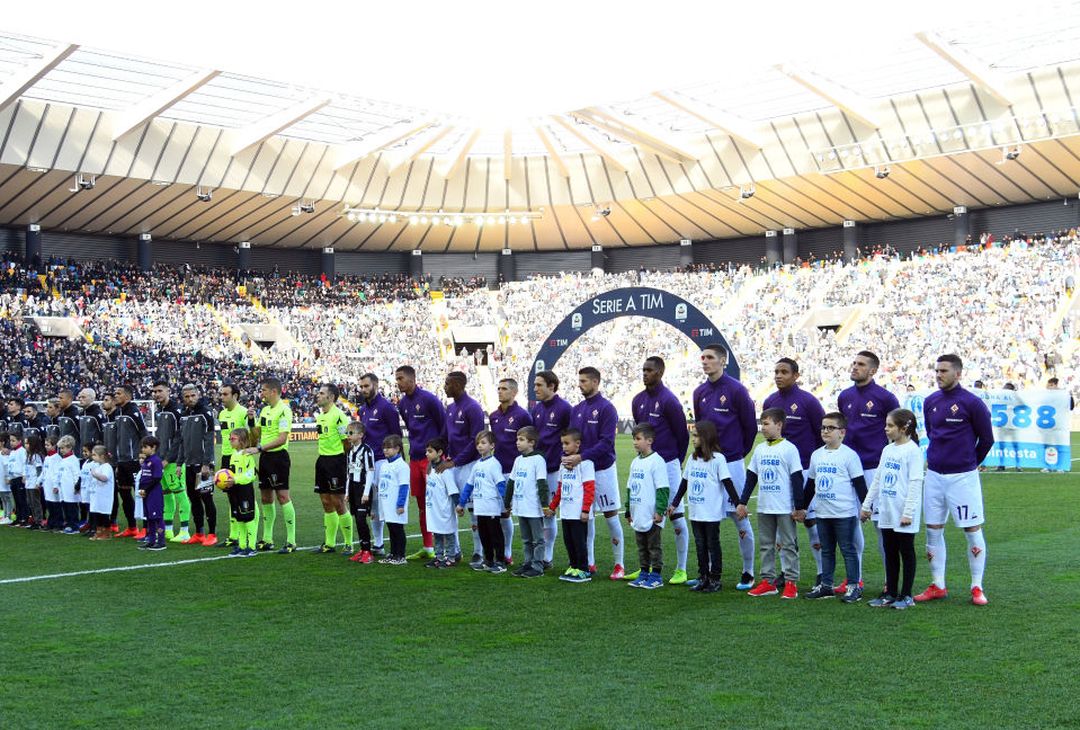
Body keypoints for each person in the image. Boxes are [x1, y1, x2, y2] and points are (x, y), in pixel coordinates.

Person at [916, 354, 994, 606]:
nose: (939, 375)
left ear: (958, 373)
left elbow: (987, 439)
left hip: (963, 478)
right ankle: (938, 584)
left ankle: (976, 586)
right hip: (935, 475)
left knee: (971, 529)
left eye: (944, 371)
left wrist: (969, 462)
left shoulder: (972, 403)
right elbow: (931, 432)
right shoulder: (930, 401)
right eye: (936, 370)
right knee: (932, 529)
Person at [692, 343, 757, 590]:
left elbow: (750, 427)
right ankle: (707, 574)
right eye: (703, 357)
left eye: (710, 357)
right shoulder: (699, 392)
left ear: (723, 361)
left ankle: (748, 571)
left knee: (739, 516)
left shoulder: (737, 390)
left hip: (731, 463)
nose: (705, 361)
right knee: (708, 519)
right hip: (708, 463)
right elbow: (700, 427)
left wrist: (737, 453)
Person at [837, 350, 899, 595]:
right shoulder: (845, 396)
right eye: (854, 363)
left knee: (880, 525)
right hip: (849, 470)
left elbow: (898, 431)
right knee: (851, 524)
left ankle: (889, 579)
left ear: (873, 370)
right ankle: (856, 577)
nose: (855, 367)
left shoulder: (886, 398)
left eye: (860, 364)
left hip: (875, 468)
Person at [762, 357, 826, 589]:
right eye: (776, 371)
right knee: (781, 524)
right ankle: (785, 572)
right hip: (779, 473)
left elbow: (822, 434)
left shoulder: (808, 401)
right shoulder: (770, 401)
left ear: (796, 375)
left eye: (784, 372)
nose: (778, 375)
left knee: (810, 521)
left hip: (806, 470)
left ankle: (821, 572)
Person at [631, 356, 690, 584]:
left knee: (674, 514)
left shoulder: (669, 401)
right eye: (643, 369)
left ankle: (681, 568)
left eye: (649, 370)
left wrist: (677, 460)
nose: (645, 373)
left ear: (660, 372)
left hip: (668, 464)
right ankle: (645, 567)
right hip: (647, 464)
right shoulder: (638, 400)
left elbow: (682, 435)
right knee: (646, 513)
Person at [737, 408, 805, 599]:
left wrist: (799, 507)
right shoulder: (760, 449)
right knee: (766, 545)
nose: (763, 428)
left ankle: (791, 583)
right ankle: (768, 582)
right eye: (762, 424)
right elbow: (751, 478)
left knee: (789, 544)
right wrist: (742, 502)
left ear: (779, 425)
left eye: (766, 424)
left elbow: (797, 478)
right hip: (764, 506)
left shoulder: (789, 449)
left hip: (784, 506)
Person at [801, 412, 868, 603]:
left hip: (844, 512)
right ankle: (826, 585)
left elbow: (859, 483)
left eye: (831, 428)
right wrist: (803, 507)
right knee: (827, 550)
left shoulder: (849, 455)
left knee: (848, 549)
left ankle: (854, 587)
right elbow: (811, 485)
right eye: (823, 427)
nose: (826, 431)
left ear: (842, 432)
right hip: (823, 512)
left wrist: (865, 506)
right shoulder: (817, 455)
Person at [862, 409, 924, 609]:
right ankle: (890, 592)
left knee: (906, 551)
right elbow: (878, 479)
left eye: (890, 425)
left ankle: (906, 595)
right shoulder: (888, 450)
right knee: (889, 551)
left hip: (903, 512)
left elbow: (915, 483)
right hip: (886, 510)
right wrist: (867, 504)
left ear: (904, 427)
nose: (886, 429)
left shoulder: (913, 451)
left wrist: (908, 512)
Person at [567, 367, 624, 580]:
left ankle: (619, 564)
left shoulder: (607, 408)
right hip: (582, 469)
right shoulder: (577, 409)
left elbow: (607, 443)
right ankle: (589, 562)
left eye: (583, 381)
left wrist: (582, 457)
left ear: (595, 382)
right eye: (579, 380)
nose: (580, 384)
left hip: (603, 469)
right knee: (586, 517)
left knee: (610, 515)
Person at [669, 420, 739, 593]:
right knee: (700, 545)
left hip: (711, 512)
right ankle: (703, 576)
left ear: (706, 437)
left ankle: (715, 578)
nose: (693, 439)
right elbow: (684, 483)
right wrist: (675, 503)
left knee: (712, 545)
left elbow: (728, 483)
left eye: (696, 436)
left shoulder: (718, 459)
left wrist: (739, 504)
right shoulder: (692, 459)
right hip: (695, 511)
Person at [395, 365, 446, 560]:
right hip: (415, 459)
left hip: (430, 460)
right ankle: (428, 547)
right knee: (422, 505)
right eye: (397, 379)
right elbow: (411, 429)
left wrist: (441, 456)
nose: (398, 382)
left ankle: (448, 548)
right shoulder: (402, 404)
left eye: (400, 378)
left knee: (437, 503)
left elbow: (443, 427)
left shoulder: (429, 399)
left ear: (411, 379)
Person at [243, 377, 296, 554]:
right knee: (266, 498)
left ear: (273, 391)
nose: (261, 393)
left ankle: (291, 541)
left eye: (264, 390)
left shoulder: (284, 411)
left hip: (278, 457)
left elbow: (282, 438)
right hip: (265, 457)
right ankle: (267, 539)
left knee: (282, 496)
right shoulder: (264, 410)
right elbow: (257, 434)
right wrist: (251, 421)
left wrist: (258, 448)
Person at [437, 371, 486, 563]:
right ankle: (454, 550)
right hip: (452, 465)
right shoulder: (450, 408)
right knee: (450, 507)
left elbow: (476, 441)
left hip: (469, 465)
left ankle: (478, 551)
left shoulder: (473, 407)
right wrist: (437, 458)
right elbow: (445, 437)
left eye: (448, 384)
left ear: (458, 385)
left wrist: (455, 461)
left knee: (474, 510)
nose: (445, 386)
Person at [356, 373, 403, 556]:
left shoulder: (387, 408)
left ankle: (395, 546)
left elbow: (396, 435)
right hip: (368, 462)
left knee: (386, 501)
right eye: (361, 386)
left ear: (375, 385)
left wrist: (398, 462)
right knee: (373, 503)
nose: (363, 389)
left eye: (366, 386)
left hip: (384, 461)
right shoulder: (362, 410)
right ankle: (378, 544)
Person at [531, 370, 572, 569]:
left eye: (539, 385)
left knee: (549, 512)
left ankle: (547, 556)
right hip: (537, 468)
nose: (535, 388)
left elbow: (571, 438)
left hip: (554, 468)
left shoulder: (565, 409)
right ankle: (539, 554)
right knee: (538, 511)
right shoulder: (537, 409)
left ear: (552, 386)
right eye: (535, 385)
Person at [489, 378, 532, 566]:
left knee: (511, 512)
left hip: (516, 470)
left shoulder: (522, 415)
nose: (500, 391)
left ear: (514, 393)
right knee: (499, 512)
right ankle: (501, 551)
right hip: (497, 470)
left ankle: (510, 551)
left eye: (504, 389)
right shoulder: (493, 416)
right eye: (498, 388)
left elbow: (530, 441)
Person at [545, 428, 595, 583]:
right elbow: (560, 489)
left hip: (578, 512)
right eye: (562, 444)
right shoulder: (563, 464)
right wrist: (553, 507)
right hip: (566, 512)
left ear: (577, 444)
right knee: (569, 541)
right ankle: (573, 566)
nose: (564, 447)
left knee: (580, 542)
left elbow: (589, 489)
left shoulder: (586, 464)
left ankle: (584, 569)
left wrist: (586, 510)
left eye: (567, 443)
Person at [624, 423, 670, 590]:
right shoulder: (635, 462)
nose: (635, 442)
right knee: (641, 546)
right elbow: (630, 487)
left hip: (651, 514)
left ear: (649, 440)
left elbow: (663, 488)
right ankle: (643, 573)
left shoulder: (657, 462)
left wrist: (660, 511)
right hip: (638, 513)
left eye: (638, 439)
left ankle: (656, 575)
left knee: (654, 546)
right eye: (633, 439)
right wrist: (628, 510)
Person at [456, 431, 506, 573]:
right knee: (484, 535)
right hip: (480, 508)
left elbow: (501, 484)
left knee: (495, 535)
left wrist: (507, 503)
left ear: (492, 446)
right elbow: (469, 485)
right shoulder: (477, 464)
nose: (479, 446)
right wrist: (461, 503)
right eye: (478, 443)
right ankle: (488, 561)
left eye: (483, 443)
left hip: (491, 507)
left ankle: (500, 562)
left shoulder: (494, 464)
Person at [503, 426, 548, 578]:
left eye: (521, 440)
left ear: (532, 443)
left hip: (533, 508)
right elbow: (511, 482)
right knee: (526, 539)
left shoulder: (539, 459)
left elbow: (542, 484)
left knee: (538, 540)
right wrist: (507, 503)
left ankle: (538, 566)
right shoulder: (518, 460)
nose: (517, 442)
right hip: (520, 507)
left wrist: (545, 505)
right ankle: (528, 563)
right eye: (517, 439)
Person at [313, 383, 352, 554]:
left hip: (336, 462)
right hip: (322, 461)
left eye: (321, 393)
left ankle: (349, 543)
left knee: (338, 502)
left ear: (331, 397)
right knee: (326, 502)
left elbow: (347, 443)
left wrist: (341, 462)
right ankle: (329, 544)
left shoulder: (339, 417)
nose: (318, 396)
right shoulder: (321, 416)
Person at [151, 381, 190, 544]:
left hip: (173, 462)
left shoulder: (176, 411)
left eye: (160, 391)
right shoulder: (159, 411)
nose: (156, 394)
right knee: (166, 494)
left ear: (168, 391)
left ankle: (185, 531)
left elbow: (179, 438)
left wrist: (169, 458)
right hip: (162, 460)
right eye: (154, 391)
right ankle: (167, 530)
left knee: (179, 493)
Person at [180, 384, 218, 546]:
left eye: (192, 396)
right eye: (187, 397)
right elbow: (182, 441)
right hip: (189, 464)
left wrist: (206, 463)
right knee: (193, 499)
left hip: (203, 465)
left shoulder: (206, 412)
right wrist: (179, 463)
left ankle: (212, 534)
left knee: (206, 498)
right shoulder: (184, 414)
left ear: (198, 395)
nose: (190, 399)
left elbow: (210, 439)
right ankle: (199, 532)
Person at [111, 384, 147, 538]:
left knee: (140, 493)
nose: (115, 396)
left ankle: (146, 528)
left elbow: (143, 432)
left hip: (134, 461)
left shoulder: (133, 412)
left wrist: (143, 455)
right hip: (122, 461)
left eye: (118, 393)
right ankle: (132, 527)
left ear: (127, 396)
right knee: (125, 494)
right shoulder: (118, 413)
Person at [218, 382, 251, 548]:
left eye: (225, 394)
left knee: (242, 496)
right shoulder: (222, 414)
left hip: (240, 459)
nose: (221, 397)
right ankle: (233, 535)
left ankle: (245, 535)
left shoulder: (244, 413)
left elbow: (252, 437)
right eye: (221, 394)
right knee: (231, 497)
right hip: (226, 459)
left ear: (235, 396)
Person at [221, 428, 259, 558]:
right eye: (229, 438)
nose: (230, 441)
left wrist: (236, 479)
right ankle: (242, 546)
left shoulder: (246, 455)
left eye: (233, 439)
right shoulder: (233, 455)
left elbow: (251, 474)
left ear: (242, 441)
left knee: (248, 518)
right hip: (235, 489)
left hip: (245, 489)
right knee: (239, 519)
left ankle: (252, 547)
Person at [423, 438, 459, 568]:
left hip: (444, 509)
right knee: (437, 533)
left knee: (448, 533)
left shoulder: (445, 471)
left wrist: (458, 506)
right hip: (433, 509)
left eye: (430, 451)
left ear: (439, 452)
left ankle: (451, 557)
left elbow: (453, 491)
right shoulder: (430, 468)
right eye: (426, 451)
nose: (426, 454)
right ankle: (438, 557)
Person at [375, 434, 410, 565]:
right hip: (386, 503)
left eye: (389, 448)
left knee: (397, 529)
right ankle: (393, 553)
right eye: (384, 448)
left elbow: (404, 486)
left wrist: (400, 504)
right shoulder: (384, 465)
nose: (385, 450)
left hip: (395, 504)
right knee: (391, 528)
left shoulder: (401, 466)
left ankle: (401, 555)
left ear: (397, 449)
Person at [137, 436, 166, 551]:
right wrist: (141, 489)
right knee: (149, 518)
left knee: (157, 518)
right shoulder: (147, 461)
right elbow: (144, 477)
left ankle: (161, 542)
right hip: (147, 494)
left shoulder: (156, 461)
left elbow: (156, 478)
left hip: (154, 494)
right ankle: (151, 540)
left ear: (153, 447)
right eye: (142, 447)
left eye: (145, 447)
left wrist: (146, 489)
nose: (143, 449)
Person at [87, 445, 115, 541]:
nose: (92, 456)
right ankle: (98, 532)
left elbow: (105, 478)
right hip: (96, 495)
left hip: (104, 496)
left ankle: (106, 533)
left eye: (94, 455)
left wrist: (95, 475)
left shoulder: (107, 467)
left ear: (102, 456)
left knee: (104, 515)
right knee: (97, 514)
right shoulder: (98, 466)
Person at [57, 434, 81, 534]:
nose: (61, 450)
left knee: (72, 507)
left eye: (63, 448)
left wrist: (76, 486)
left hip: (71, 488)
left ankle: (74, 526)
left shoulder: (73, 460)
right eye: (60, 448)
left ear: (70, 447)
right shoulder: (63, 459)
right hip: (63, 488)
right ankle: (68, 524)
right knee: (65, 506)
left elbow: (76, 474)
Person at [24, 434, 45, 529]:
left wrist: (38, 482)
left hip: (34, 483)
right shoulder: (28, 455)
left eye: (27, 443)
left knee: (35, 502)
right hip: (28, 483)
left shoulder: (36, 456)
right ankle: (34, 519)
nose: (26, 445)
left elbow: (39, 470)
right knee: (30, 502)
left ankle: (39, 521)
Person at [7, 432, 27, 526]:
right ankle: (18, 518)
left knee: (21, 499)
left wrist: (24, 475)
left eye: (13, 440)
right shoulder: (12, 452)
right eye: (10, 440)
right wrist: (9, 477)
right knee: (16, 499)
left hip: (20, 478)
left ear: (19, 441)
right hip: (13, 478)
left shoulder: (22, 451)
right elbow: (10, 465)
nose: (11, 442)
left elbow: (24, 464)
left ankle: (24, 518)